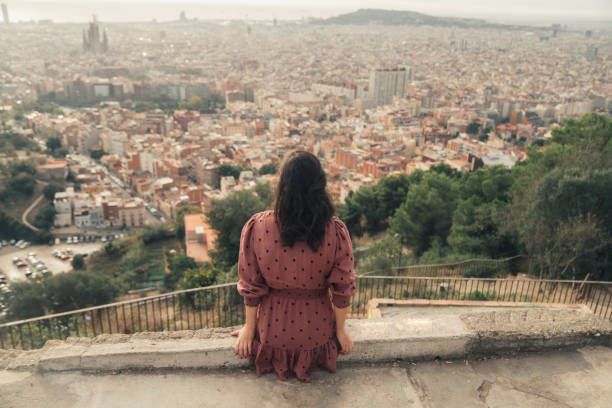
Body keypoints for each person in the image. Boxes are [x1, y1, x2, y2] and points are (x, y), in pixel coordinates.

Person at [231, 150, 356, 382]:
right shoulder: (335, 232)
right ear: (320, 186)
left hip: (272, 334)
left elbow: (251, 285)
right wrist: (340, 331)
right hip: (317, 335)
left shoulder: (258, 227)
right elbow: (342, 288)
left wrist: (250, 328)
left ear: (282, 185)